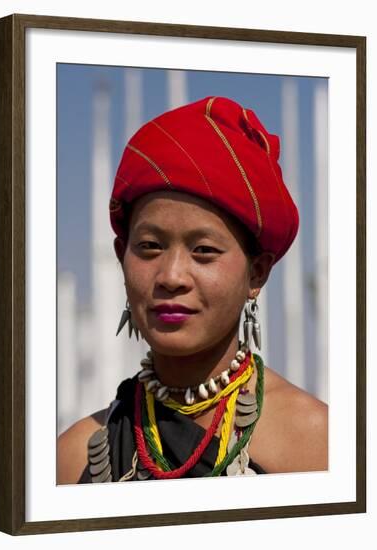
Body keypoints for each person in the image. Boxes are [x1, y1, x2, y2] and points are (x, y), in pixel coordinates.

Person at [57, 96, 328, 484]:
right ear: (121, 256)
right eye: (149, 246)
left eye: (203, 251)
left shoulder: (320, 445)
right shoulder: (72, 457)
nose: (171, 275)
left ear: (257, 273)